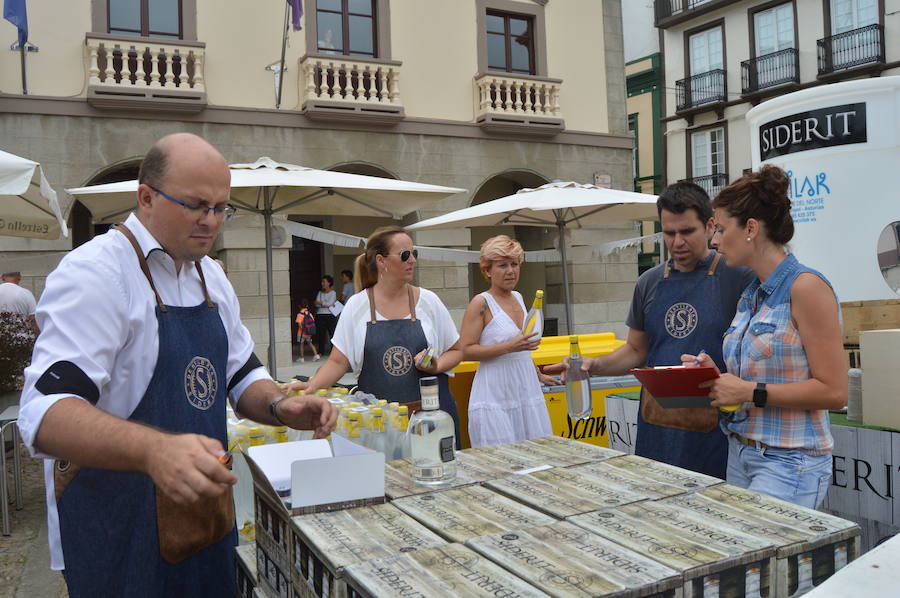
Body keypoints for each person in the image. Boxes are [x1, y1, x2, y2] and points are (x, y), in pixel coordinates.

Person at [16, 133, 337, 596]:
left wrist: (279, 407)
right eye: (196, 205)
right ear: (146, 197)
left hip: (204, 521)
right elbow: (44, 412)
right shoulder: (96, 273)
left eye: (222, 208)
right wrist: (155, 451)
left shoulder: (211, 275)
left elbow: (241, 372)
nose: (211, 222)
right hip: (121, 532)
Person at [546, 182, 755, 479]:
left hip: (714, 430)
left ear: (709, 227)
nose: (677, 242)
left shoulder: (738, 276)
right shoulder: (649, 281)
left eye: (687, 232)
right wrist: (592, 366)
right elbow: (635, 350)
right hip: (656, 424)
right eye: (669, 233)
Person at [682, 166, 845, 508]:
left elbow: (834, 391)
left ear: (751, 229)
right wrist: (715, 375)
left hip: (789, 463)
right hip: (741, 451)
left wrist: (747, 390)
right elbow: (757, 380)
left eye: (721, 229)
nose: (714, 241)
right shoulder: (752, 293)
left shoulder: (807, 288)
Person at [296, 226, 463, 437]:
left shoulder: (429, 301)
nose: (412, 260)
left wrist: (437, 364)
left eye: (414, 253)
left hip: (432, 419)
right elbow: (338, 362)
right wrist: (311, 387)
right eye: (404, 255)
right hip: (379, 425)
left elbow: (457, 350)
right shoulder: (357, 306)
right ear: (381, 261)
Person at [460, 235, 554, 447]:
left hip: (526, 388)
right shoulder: (481, 303)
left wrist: (538, 374)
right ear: (487, 270)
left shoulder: (519, 298)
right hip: (494, 391)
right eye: (502, 265)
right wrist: (508, 347)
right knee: (500, 459)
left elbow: (521, 347)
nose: (511, 271)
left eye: (514, 264)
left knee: (536, 453)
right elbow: (465, 350)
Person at [315, 274, 338, 354]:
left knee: (332, 333)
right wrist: (326, 304)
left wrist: (321, 303)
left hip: (330, 315)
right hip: (320, 315)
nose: (322, 283)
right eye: (322, 282)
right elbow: (316, 304)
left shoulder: (333, 293)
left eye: (324, 282)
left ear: (329, 283)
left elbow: (330, 303)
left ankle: (333, 351)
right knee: (321, 334)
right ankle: (321, 351)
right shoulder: (320, 293)